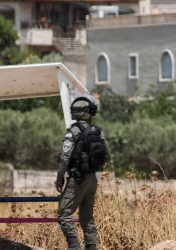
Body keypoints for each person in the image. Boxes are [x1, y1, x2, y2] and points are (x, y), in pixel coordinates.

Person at [56, 94, 111, 250]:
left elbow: (64, 159)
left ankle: (74, 248)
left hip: (77, 179)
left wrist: (59, 179)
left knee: (64, 215)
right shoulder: (98, 131)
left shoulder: (72, 132)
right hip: (92, 179)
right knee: (87, 218)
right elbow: (107, 155)